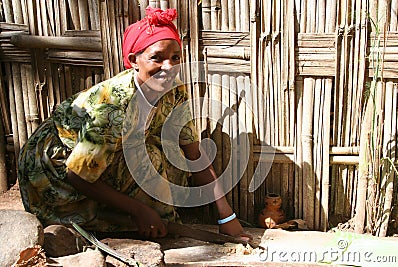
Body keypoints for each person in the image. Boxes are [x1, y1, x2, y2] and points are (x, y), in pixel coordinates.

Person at [18, 6, 251, 240]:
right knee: (146, 161)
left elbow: (193, 153)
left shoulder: (176, 92)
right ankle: (119, 216)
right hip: (55, 169)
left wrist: (227, 217)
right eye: (156, 58)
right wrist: (140, 210)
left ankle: (130, 215)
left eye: (175, 58)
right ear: (134, 61)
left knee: (167, 154)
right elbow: (76, 174)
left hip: (102, 157)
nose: (168, 67)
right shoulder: (112, 109)